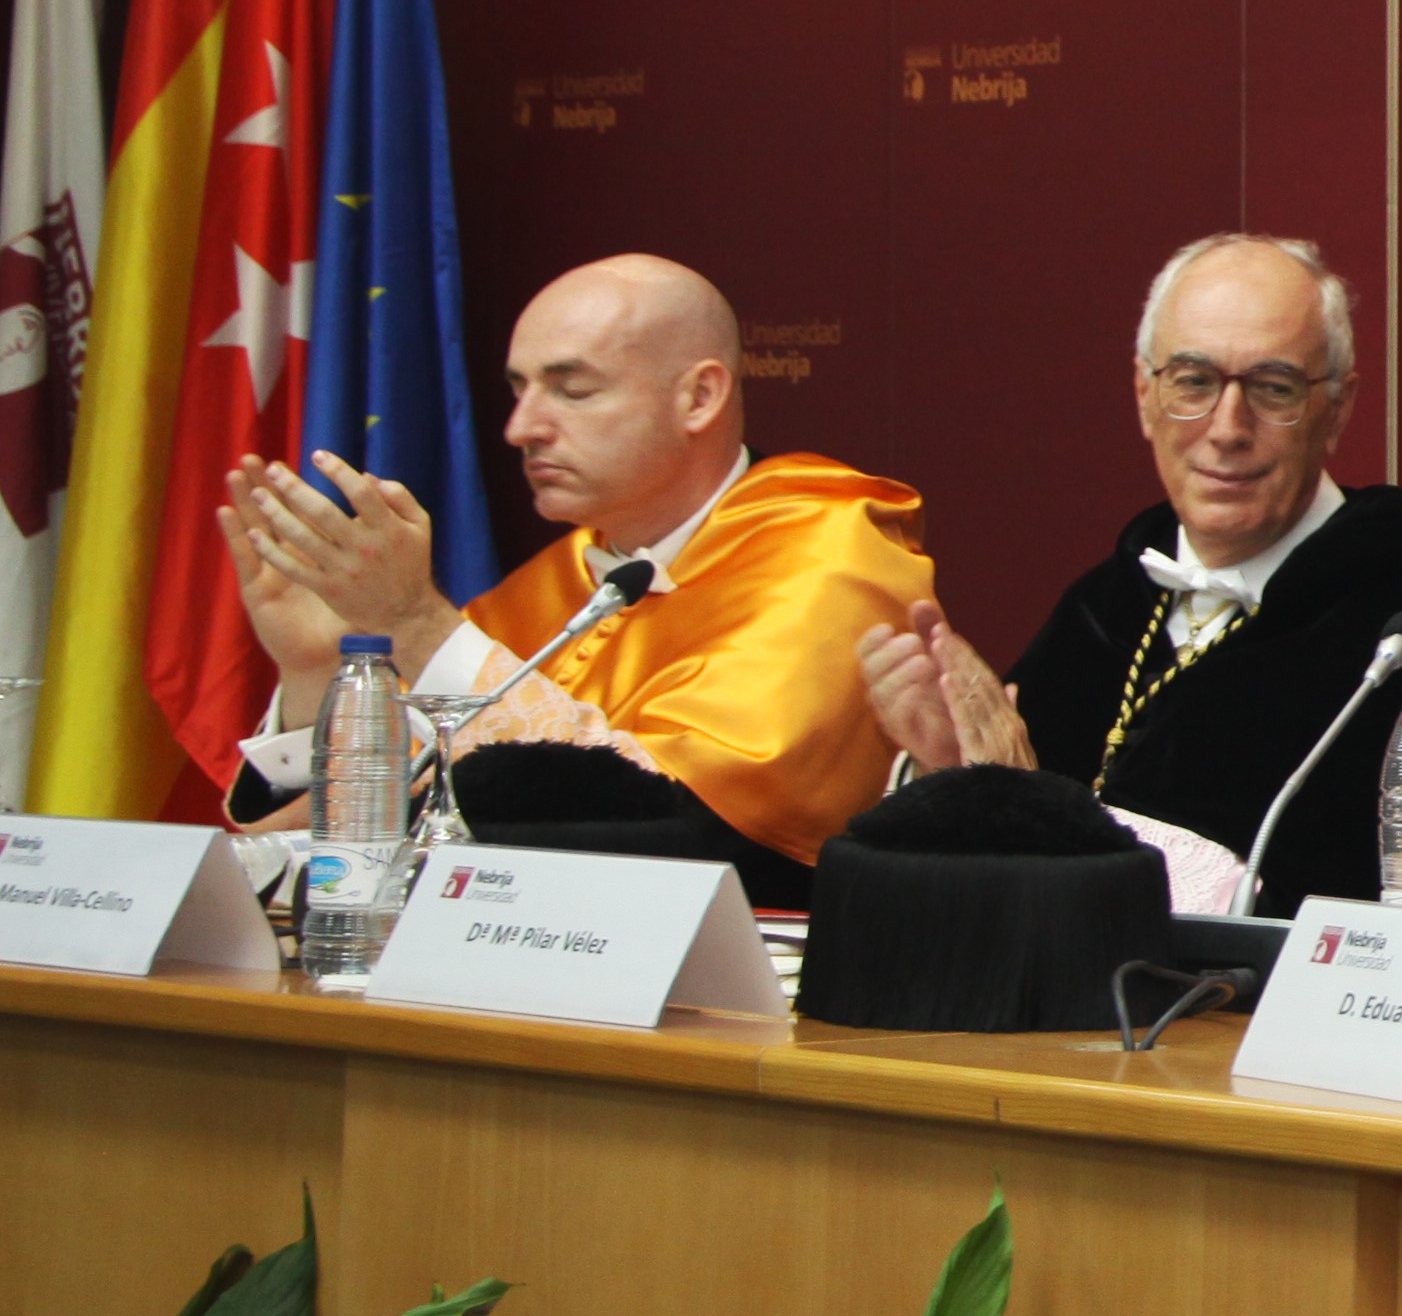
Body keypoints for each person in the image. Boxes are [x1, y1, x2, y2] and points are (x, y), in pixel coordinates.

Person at [856, 236, 1402, 914]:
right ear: (1144, 396)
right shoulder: (1105, 604)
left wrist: (1030, 809)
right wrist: (950, 774)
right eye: (1194, 382)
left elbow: (1395, 906)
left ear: (1337, 408)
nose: (1227, 428)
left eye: (1273, 389)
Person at [216, 252, 929, 876]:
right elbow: (370, 834)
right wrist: (314, 671)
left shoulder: (829, 552)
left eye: (572, 390)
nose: (520, 428)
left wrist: (414, 624)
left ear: (699, 396)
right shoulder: (551, 587)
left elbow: (686, 827)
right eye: (518, 389)